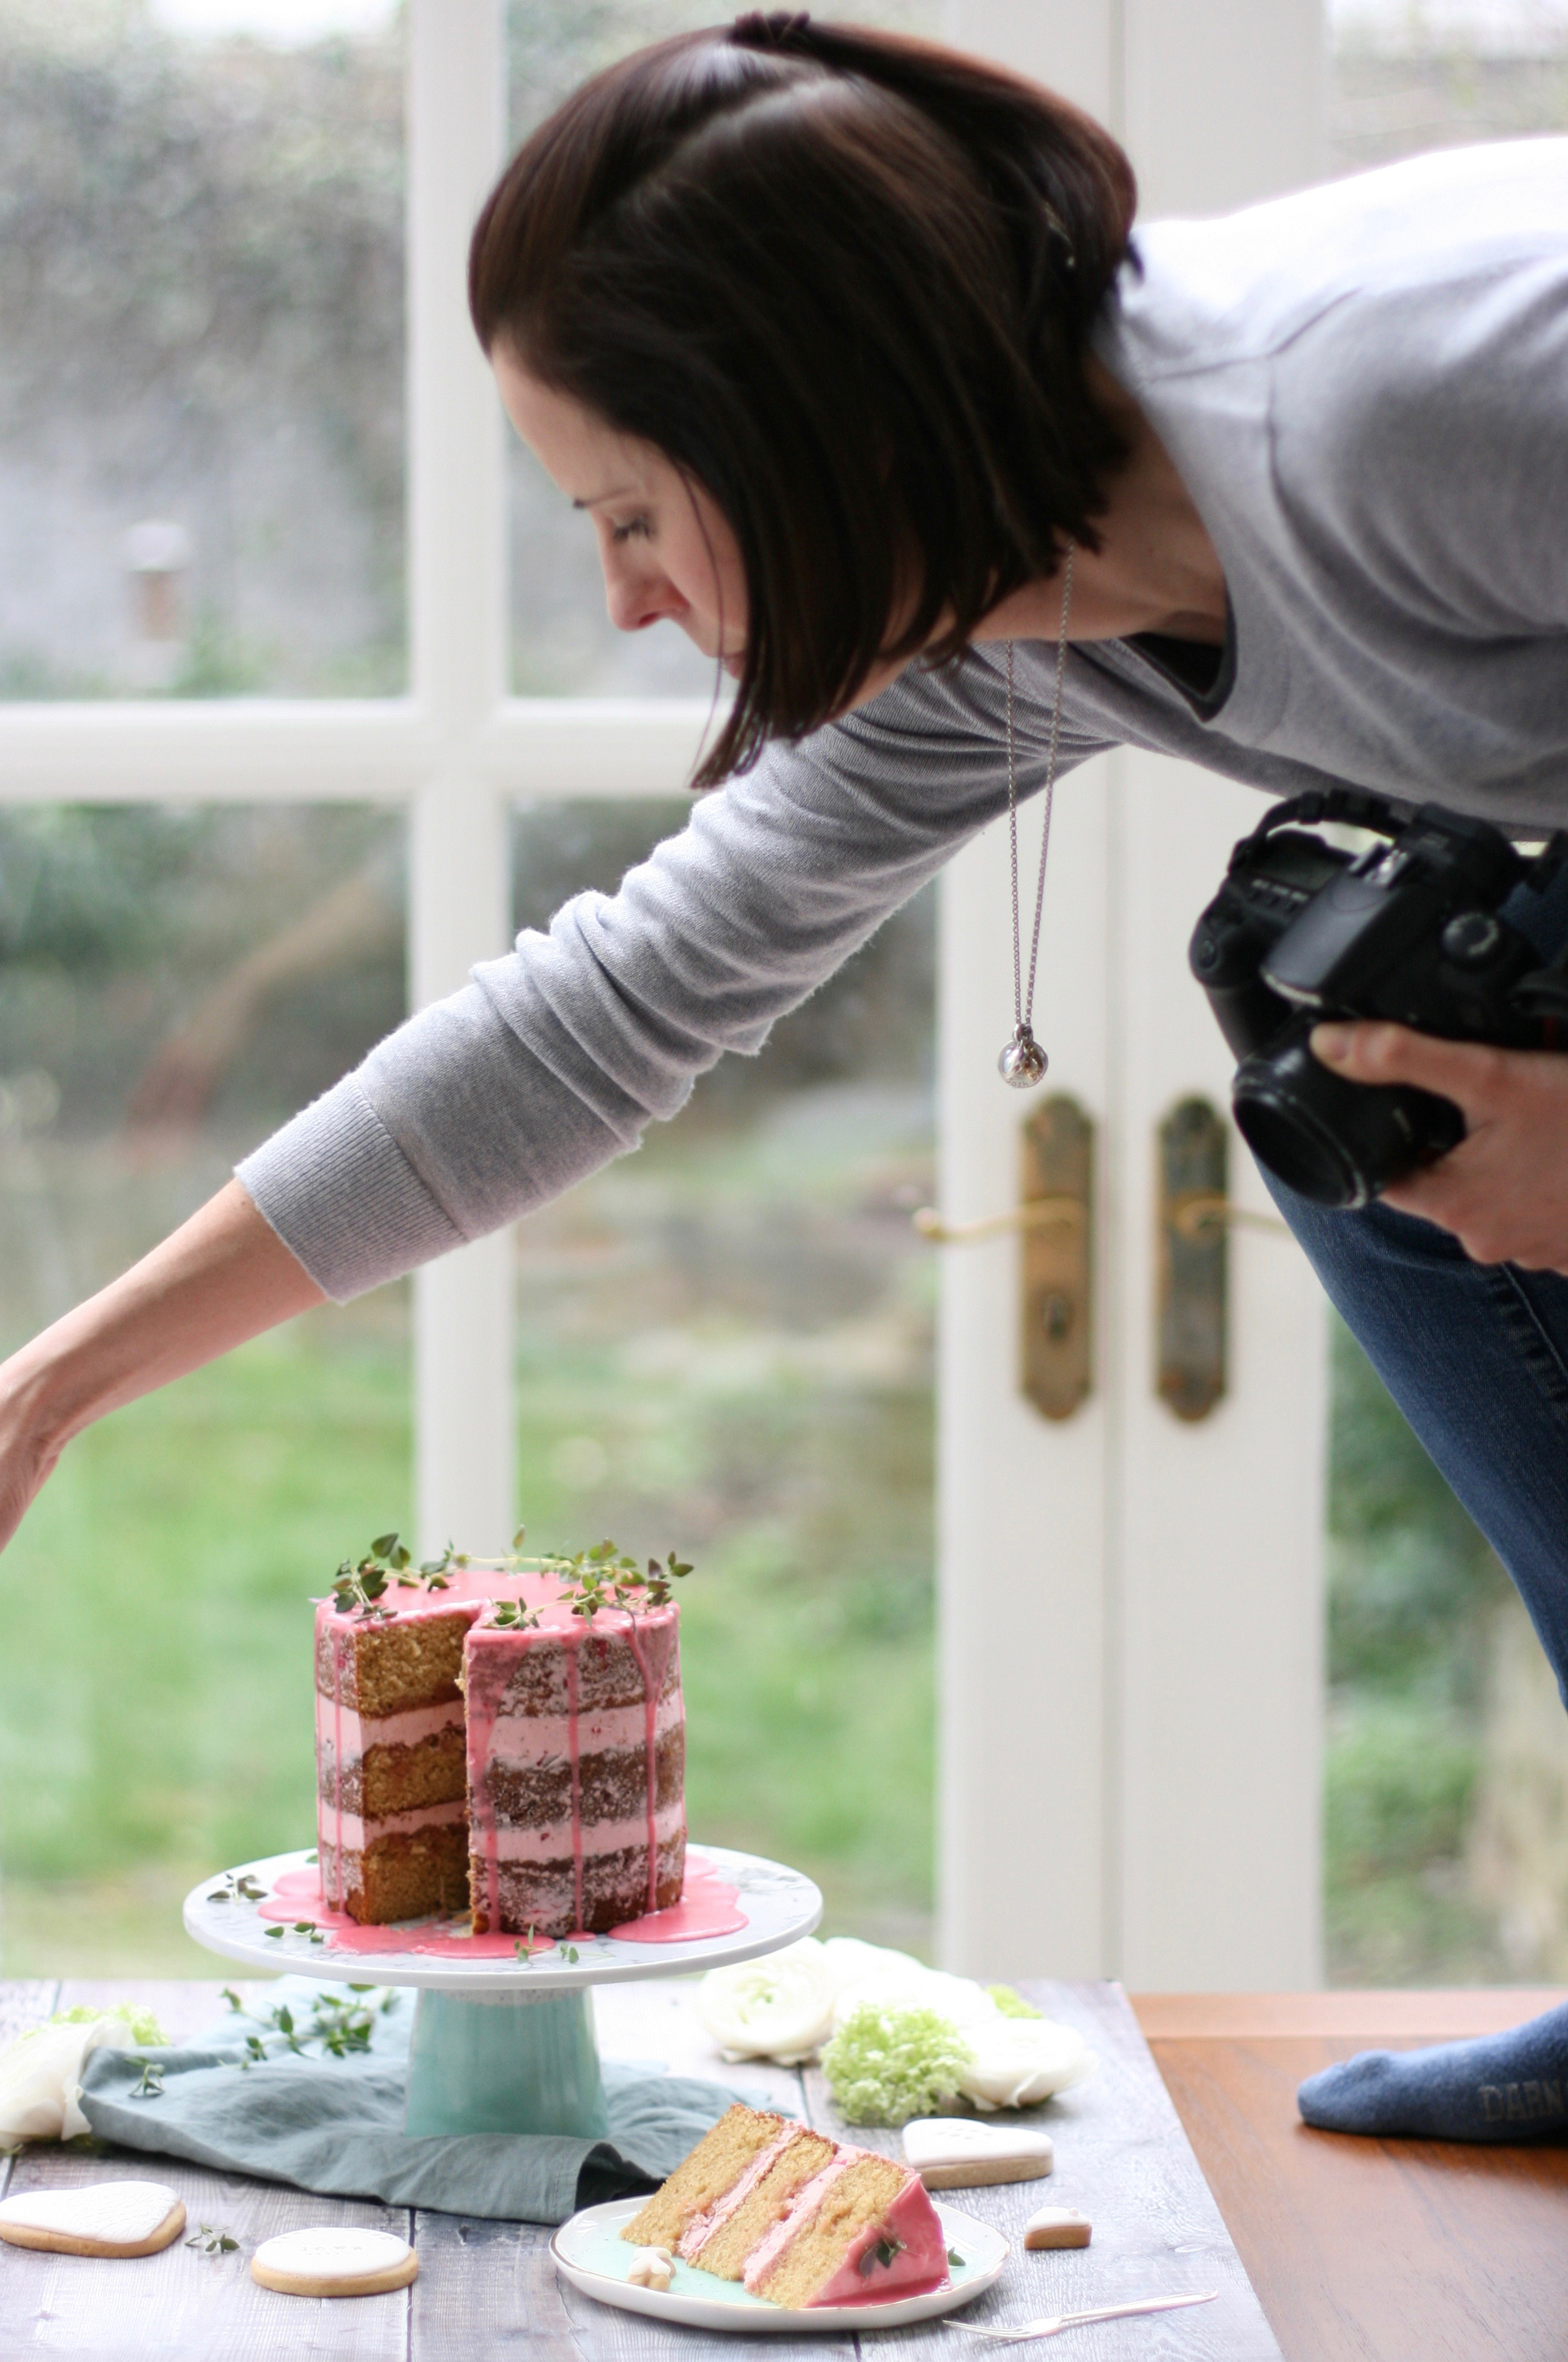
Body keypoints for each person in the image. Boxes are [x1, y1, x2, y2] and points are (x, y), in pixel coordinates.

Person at [2, 14, 1566, 2139]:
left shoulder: (1412, 408)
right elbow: (586, 1020)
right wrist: (51, 1387)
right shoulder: (994, 615)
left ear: (814, 425)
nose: (627, 600)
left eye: (633, 509)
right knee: (1351, 1055)